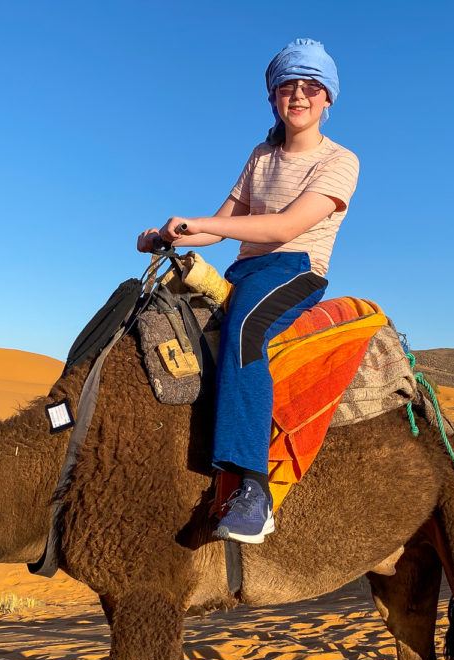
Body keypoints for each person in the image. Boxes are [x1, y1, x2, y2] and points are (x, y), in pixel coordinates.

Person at [136, 38, 360, 544]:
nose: (298, 95)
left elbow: (284, 228)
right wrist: (174, 233)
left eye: (310, 86)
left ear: (328, 99)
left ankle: (254, 490)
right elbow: (224, 224)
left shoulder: (341, 160)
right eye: (288, 86)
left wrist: (200, 224)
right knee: (154, 317)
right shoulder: (261, 156)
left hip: (296, 269)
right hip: (245, 270)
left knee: (244, 330)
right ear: (273, 98)